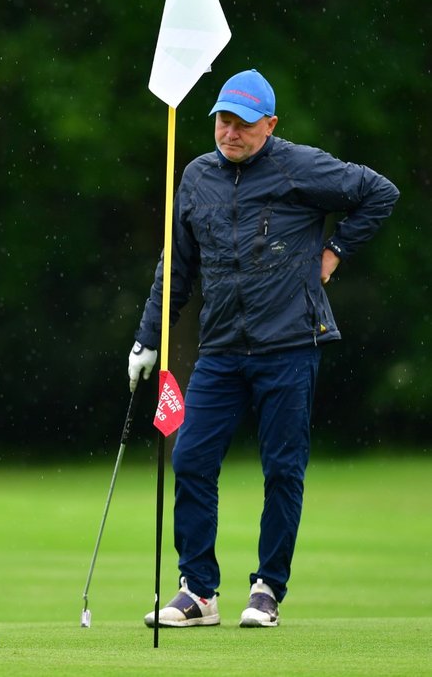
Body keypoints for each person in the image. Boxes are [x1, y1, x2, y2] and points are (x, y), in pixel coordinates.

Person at [128, 69, 399, 629]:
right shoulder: (197, 176)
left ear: (270, 125)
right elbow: (175, 267)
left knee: (282, 469)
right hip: (222, 348)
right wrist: (148, 336)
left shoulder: (299, 166)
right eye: (223, 120)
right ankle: (198, 592)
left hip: (291, 343)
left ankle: (267, 589)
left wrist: (336, 251)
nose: (229, 132)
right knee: (192, 458)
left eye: (243, 124)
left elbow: (380, 193)